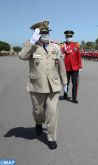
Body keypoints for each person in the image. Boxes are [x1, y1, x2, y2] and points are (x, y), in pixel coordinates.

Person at [18, 20, 67, 149]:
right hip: (37, 85)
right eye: (43, 33)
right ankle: (38, 123)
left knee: (52, 113)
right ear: (37, 34)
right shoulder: (30, 45)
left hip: (53, 85)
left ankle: (51, 138)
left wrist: (65, 82)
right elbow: (22, 56)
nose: (46, 35)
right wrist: (32, 41)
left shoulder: (56, 47)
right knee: (38, 111)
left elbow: (61, 65)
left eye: (47, 32)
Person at [61, 30, 82, 104]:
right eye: (67, 36)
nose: (69, 37)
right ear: (65, 36)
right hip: (66, 67)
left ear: (72, 37)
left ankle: (74, 98)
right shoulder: (62, 45)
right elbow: (61, 56)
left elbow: (78, 56)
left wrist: (80, 66)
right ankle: (65, 94)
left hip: (75, 67)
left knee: (75, 83)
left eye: (70, 36)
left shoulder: (76, 45)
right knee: (66, 82)